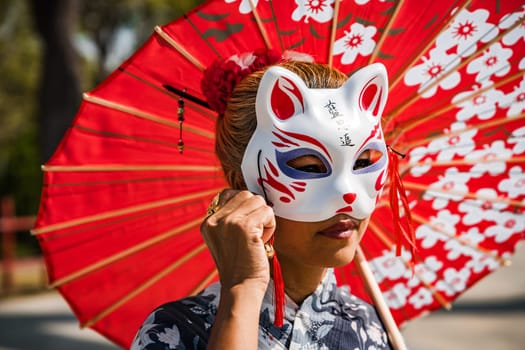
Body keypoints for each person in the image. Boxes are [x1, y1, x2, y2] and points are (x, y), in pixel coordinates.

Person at [131, 49, 398, 350]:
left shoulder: (372, 328)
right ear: (240, 182)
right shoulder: (173, 331)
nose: (346, 194)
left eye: (363, 163)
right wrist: (242, 291)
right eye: (310, 168)